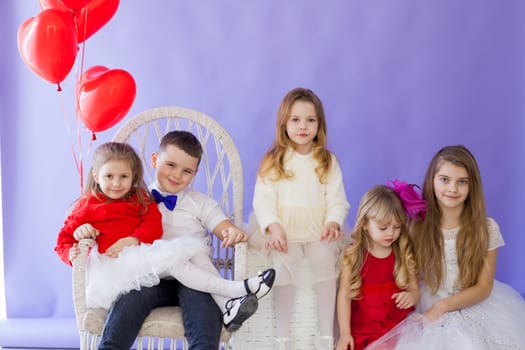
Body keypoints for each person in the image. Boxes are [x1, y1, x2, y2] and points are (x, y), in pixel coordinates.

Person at [55, 141, 274, 345]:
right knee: (130, 301)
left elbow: (222, 226)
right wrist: (77, 240)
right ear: (154, 161)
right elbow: (68, 235)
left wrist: (233, 232)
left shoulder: (196, 202)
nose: (177, 175)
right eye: (170, 165)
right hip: (150, 279)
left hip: (194, 278)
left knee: (202, 308)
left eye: (186, 171)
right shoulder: (139, 196)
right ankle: (235, 291)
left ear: (194, 173)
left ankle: (228, 303)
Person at [368, 145, 525, 349]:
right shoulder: (416, 227)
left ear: (472, 187)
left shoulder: (486, 228)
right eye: (444, 180)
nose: (452, 188)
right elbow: (401, 270)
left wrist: (442, 307)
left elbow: (484, 287)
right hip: (426, 302)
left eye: (462, 182)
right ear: (432, 180)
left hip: (473, 303)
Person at [252, 87, 350, 350]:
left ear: (320, 124)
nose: (303, 126)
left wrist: (333, 222)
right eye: (295, 120)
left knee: (325, 260)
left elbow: (337, 199)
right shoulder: (274, 161)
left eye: (310, 120)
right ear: (284, 123)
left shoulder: (327, 161)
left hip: (317, 228)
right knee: (286, 263)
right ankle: (282, 336)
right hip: (285, 230)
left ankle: (326, 334)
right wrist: (273, 228)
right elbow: (263, 200)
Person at [335, 182, 423, 350]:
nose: (391, 233)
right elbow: (344, 294)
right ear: (365, 224)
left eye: (397, 227)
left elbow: (415, 290)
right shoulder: (353, 255)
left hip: (397, 330)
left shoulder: (403, 253)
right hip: (363, 332)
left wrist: (411, 296)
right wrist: (345, 333)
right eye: (383, 228)